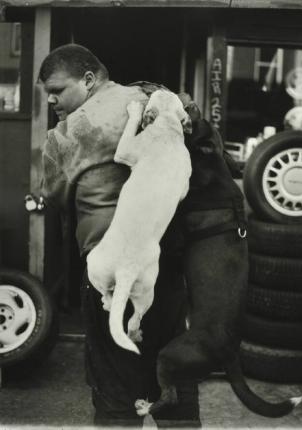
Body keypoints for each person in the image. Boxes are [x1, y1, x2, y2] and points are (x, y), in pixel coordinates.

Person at [38, 44, 201, 428]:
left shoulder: (64, 135)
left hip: (108, 265)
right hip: (163, 265)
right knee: (174, 379)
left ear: (89, 79)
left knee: (115, 392)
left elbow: (55, 197)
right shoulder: (157, 102)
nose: (50, 99)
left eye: (58, 90)